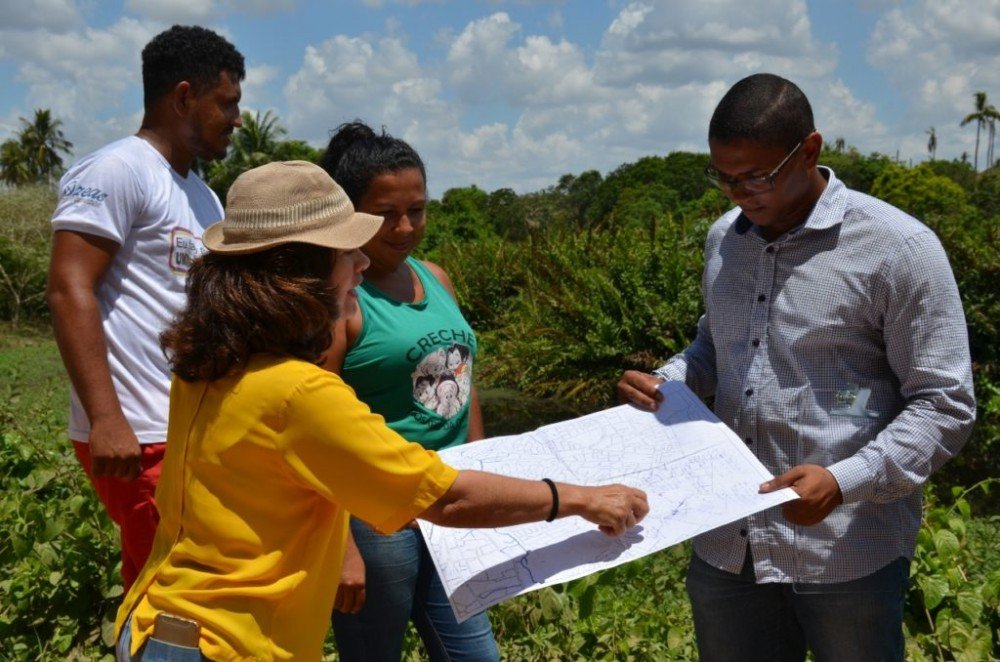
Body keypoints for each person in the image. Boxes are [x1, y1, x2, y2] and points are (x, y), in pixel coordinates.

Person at [113, 160, 648, 661]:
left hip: (157, 625)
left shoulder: (207, 365)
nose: (364, 263)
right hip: (228, 644)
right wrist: (577, 498)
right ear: (302, 272)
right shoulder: (298, 394)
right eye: (348, 254)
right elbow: (448, 499)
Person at [617, 73, 975, 661]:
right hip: (730, 543)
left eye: (756, 176)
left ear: (810, 150)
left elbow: (945, 402)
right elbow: (716, 347)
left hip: (847, 549)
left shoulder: (899, 248)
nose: (739, 194)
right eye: (723, 178)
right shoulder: (723, 242)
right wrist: (671, 381)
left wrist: (843, 481)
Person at [46, 25, 244, 590]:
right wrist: (108, 419)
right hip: (136, 432)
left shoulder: (201, 194)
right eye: (226, 103)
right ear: (184, 96)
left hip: (183, 425)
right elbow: (68, 288)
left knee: (158, 586)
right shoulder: (117, 170)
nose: (235, 119)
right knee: (176, 589)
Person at [319, 121, 499, 661]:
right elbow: (315, 426)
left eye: (416, 210)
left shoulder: (436, 277)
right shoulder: (341, 299)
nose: (404, 227)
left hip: (449, 496)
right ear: (349, 214)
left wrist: (481, 477)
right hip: (378, 518)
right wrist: (341, 545)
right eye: (384, 214)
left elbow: (464, 386)